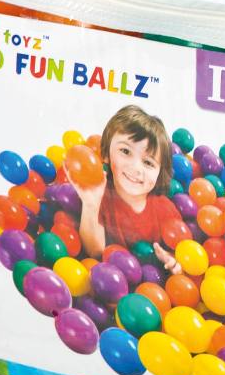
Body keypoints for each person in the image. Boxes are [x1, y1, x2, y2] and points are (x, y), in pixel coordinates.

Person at [66, 105, 180, 271]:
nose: (135, 168)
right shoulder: (100, 195)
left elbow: (181, 253)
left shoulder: (166, 211)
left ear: (160, 174)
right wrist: (91, 204)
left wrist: (172, 262)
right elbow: (95, 252)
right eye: (125, 151)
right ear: (106, 153)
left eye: (148, 162)